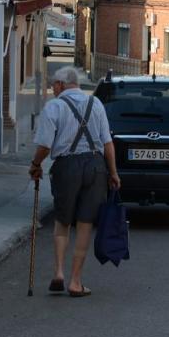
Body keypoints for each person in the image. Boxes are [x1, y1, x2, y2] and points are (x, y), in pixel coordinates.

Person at [29, 66, 120, 297]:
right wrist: (113, 173)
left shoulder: (54, 107)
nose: (52, 89)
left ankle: (59, 272)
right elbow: (107, 143)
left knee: (63, 221)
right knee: (85, 222)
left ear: (61, 84)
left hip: (66, 167)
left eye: (53, 84)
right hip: (95, 167)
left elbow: (45, 146)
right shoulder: (96, 104)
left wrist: (35, 164)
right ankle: (75, 282)